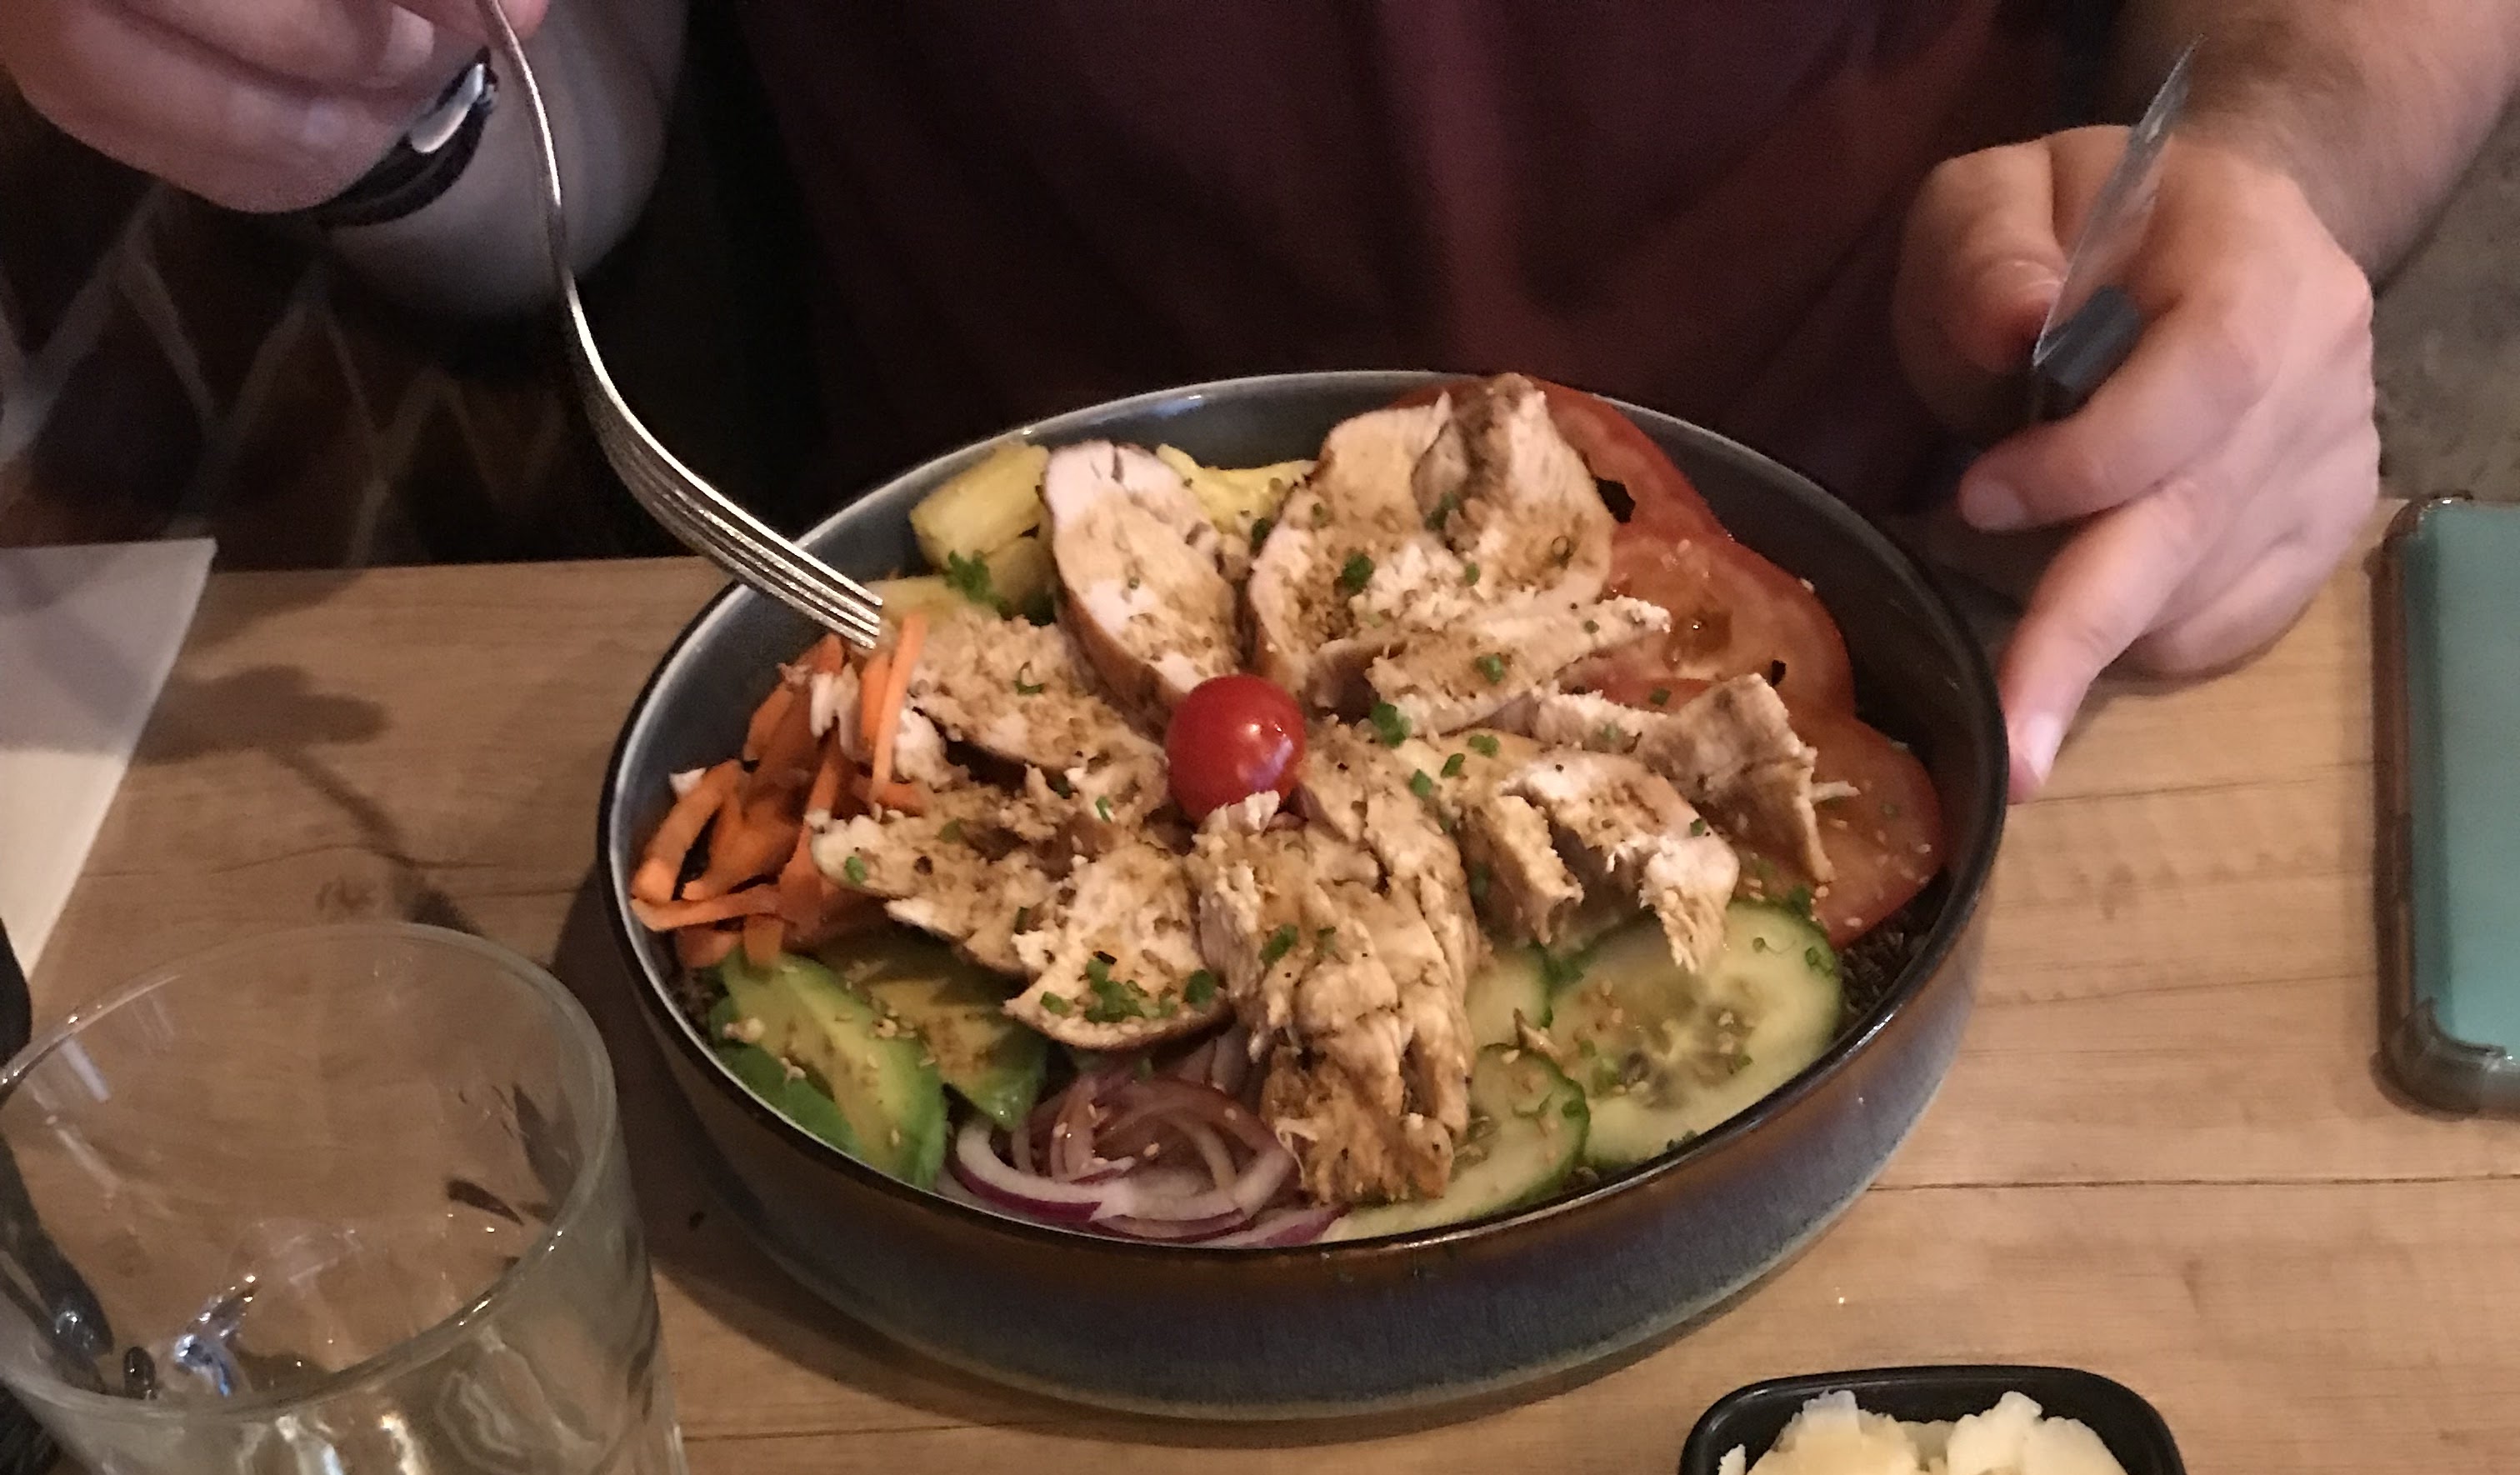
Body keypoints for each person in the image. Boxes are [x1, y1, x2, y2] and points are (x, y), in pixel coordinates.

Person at [4, 0, 2510, 792]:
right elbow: (586, 131)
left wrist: (2271, 162)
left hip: (1944, 615)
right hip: (1021, 695)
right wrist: (377, 100)